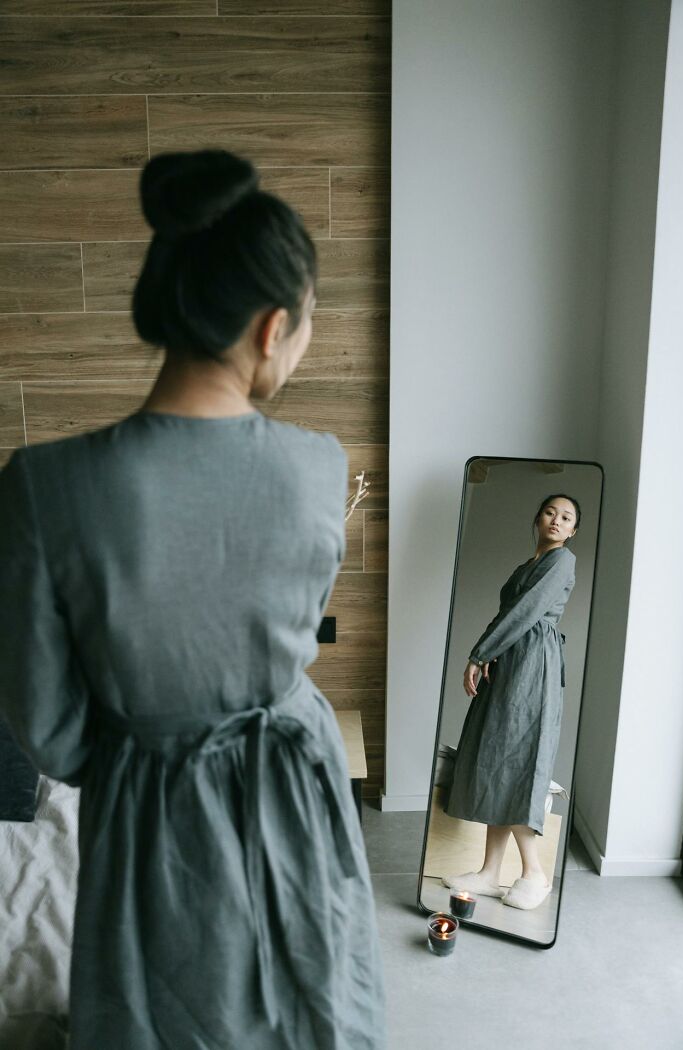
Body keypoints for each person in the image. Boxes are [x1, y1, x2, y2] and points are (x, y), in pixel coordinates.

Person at [0, 149, 386, 1049]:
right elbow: (288, 644)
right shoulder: (319, 468)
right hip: (297, 791)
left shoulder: (41, 487)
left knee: (158, 1013)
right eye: (304, 329)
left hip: (146, 807)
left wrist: (151, 748)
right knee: (309, 1000)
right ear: (271, 327)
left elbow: (47, 727)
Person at [441, 494, 579, 911]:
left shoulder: (562, 561)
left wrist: (480, 652)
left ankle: (534, 872)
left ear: (573, 531)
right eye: (551, 512)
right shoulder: (526, 567)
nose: (557, 520)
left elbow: (524, 612)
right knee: (496, 760)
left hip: (533, 668)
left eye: (567, 517)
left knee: (517, 763)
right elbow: (507, 615)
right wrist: (484, 655)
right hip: (508, 666)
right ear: (537, 518)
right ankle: (488, 872)